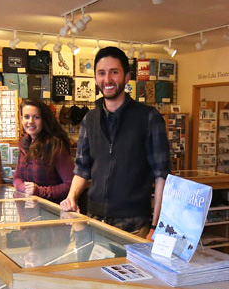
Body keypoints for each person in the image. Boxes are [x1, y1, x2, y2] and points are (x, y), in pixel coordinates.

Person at [59, 46, 170, 237]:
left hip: (134, 225)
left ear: (127, 76)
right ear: (95, 78)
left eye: (114, 72)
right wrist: (71, 198)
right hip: (93, 221)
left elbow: (162, 176)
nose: (107, 80)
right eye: (101, 73)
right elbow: (82, 168)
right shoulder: (89, 119)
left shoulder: (149, 118)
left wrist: (155, 226)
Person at [12, 98, 74, 203]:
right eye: (26, 117)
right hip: (29, 210)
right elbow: (17, 178)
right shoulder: (24, 143)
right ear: (21, 119)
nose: (30, 122)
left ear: (43, 120)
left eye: (36, 117)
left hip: (51, 211)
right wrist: (24, 188)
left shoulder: (55, 146)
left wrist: (40, 191)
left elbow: (70, 184)